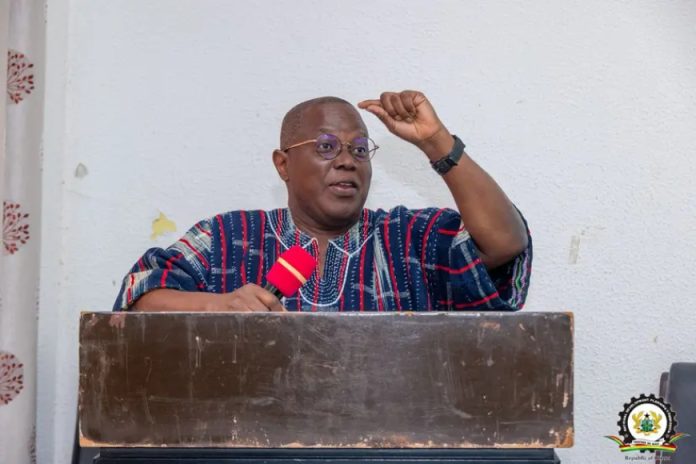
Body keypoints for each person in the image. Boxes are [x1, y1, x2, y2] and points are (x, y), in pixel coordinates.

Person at [114, 90, 532, 312]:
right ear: (283, 164)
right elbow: (140, 294)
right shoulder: (229, 238)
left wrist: (437, 143)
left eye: (360, 149)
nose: (348, 161)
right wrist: (220, 305)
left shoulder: (409, 240)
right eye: (327, 147)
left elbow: (504, 242)